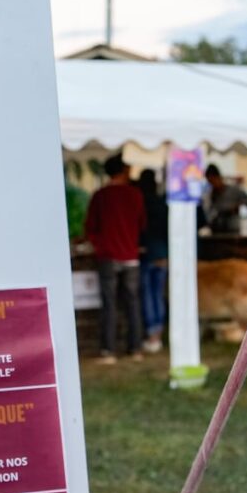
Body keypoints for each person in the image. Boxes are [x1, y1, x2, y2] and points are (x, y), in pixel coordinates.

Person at [85, 153, 147, 364]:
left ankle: (108, 350)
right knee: (132, 303)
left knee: (109, 304)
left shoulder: (100, 196)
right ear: (123, 170)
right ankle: (135, 348)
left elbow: (90, 227)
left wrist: (99, 245)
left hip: (108, 257)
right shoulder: (135, 195)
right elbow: (142, 224)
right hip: (131, 256)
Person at [138, 169, 168, 353]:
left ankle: (152, 336)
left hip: (147, 254)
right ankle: (158, 334)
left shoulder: (140, 202)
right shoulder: (162, 203)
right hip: (162, 254)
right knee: (158, 296)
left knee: (149, 296)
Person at [203, 164, 247, 234]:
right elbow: (209, 214)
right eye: (210, 182)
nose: (212, 185)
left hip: (233, 230)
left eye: (213, 181)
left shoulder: (233, 190)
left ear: (218, 178)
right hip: (216, 230)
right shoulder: (210, 195)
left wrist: (237, 205)